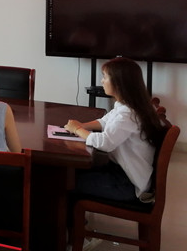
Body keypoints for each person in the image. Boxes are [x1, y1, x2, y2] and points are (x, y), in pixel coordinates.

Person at [64, 57, 165, 202]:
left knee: (66, 182)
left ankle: (66, 215)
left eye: (105, 77)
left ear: (119, 83)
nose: (101, 81)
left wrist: (78, 129)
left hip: (127, 183)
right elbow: (105, 121)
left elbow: (105, 143)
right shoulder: (127, 106)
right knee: (69, 173)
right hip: (123, 173)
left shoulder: (128, 114)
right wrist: (83, 125)